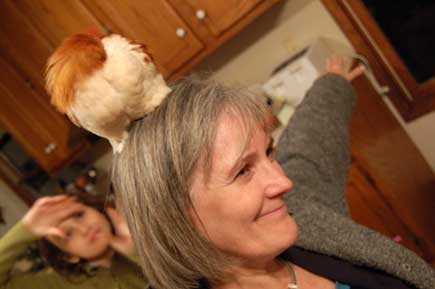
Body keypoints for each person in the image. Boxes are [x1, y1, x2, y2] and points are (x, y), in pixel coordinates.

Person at [110, 56, 434, 289]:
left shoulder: (301, 214)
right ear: (177, 214)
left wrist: (331, 85)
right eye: (243, 171)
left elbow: (310, 147)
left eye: (268, 152)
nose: (283, 182)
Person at [0, 194, 147, 289]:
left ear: (95, 210)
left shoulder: (145, 225)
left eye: (79, 215)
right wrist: (26, 228)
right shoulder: (62, 284)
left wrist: (140, 254)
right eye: (68, 234)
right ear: (68, 256)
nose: (84, 229)